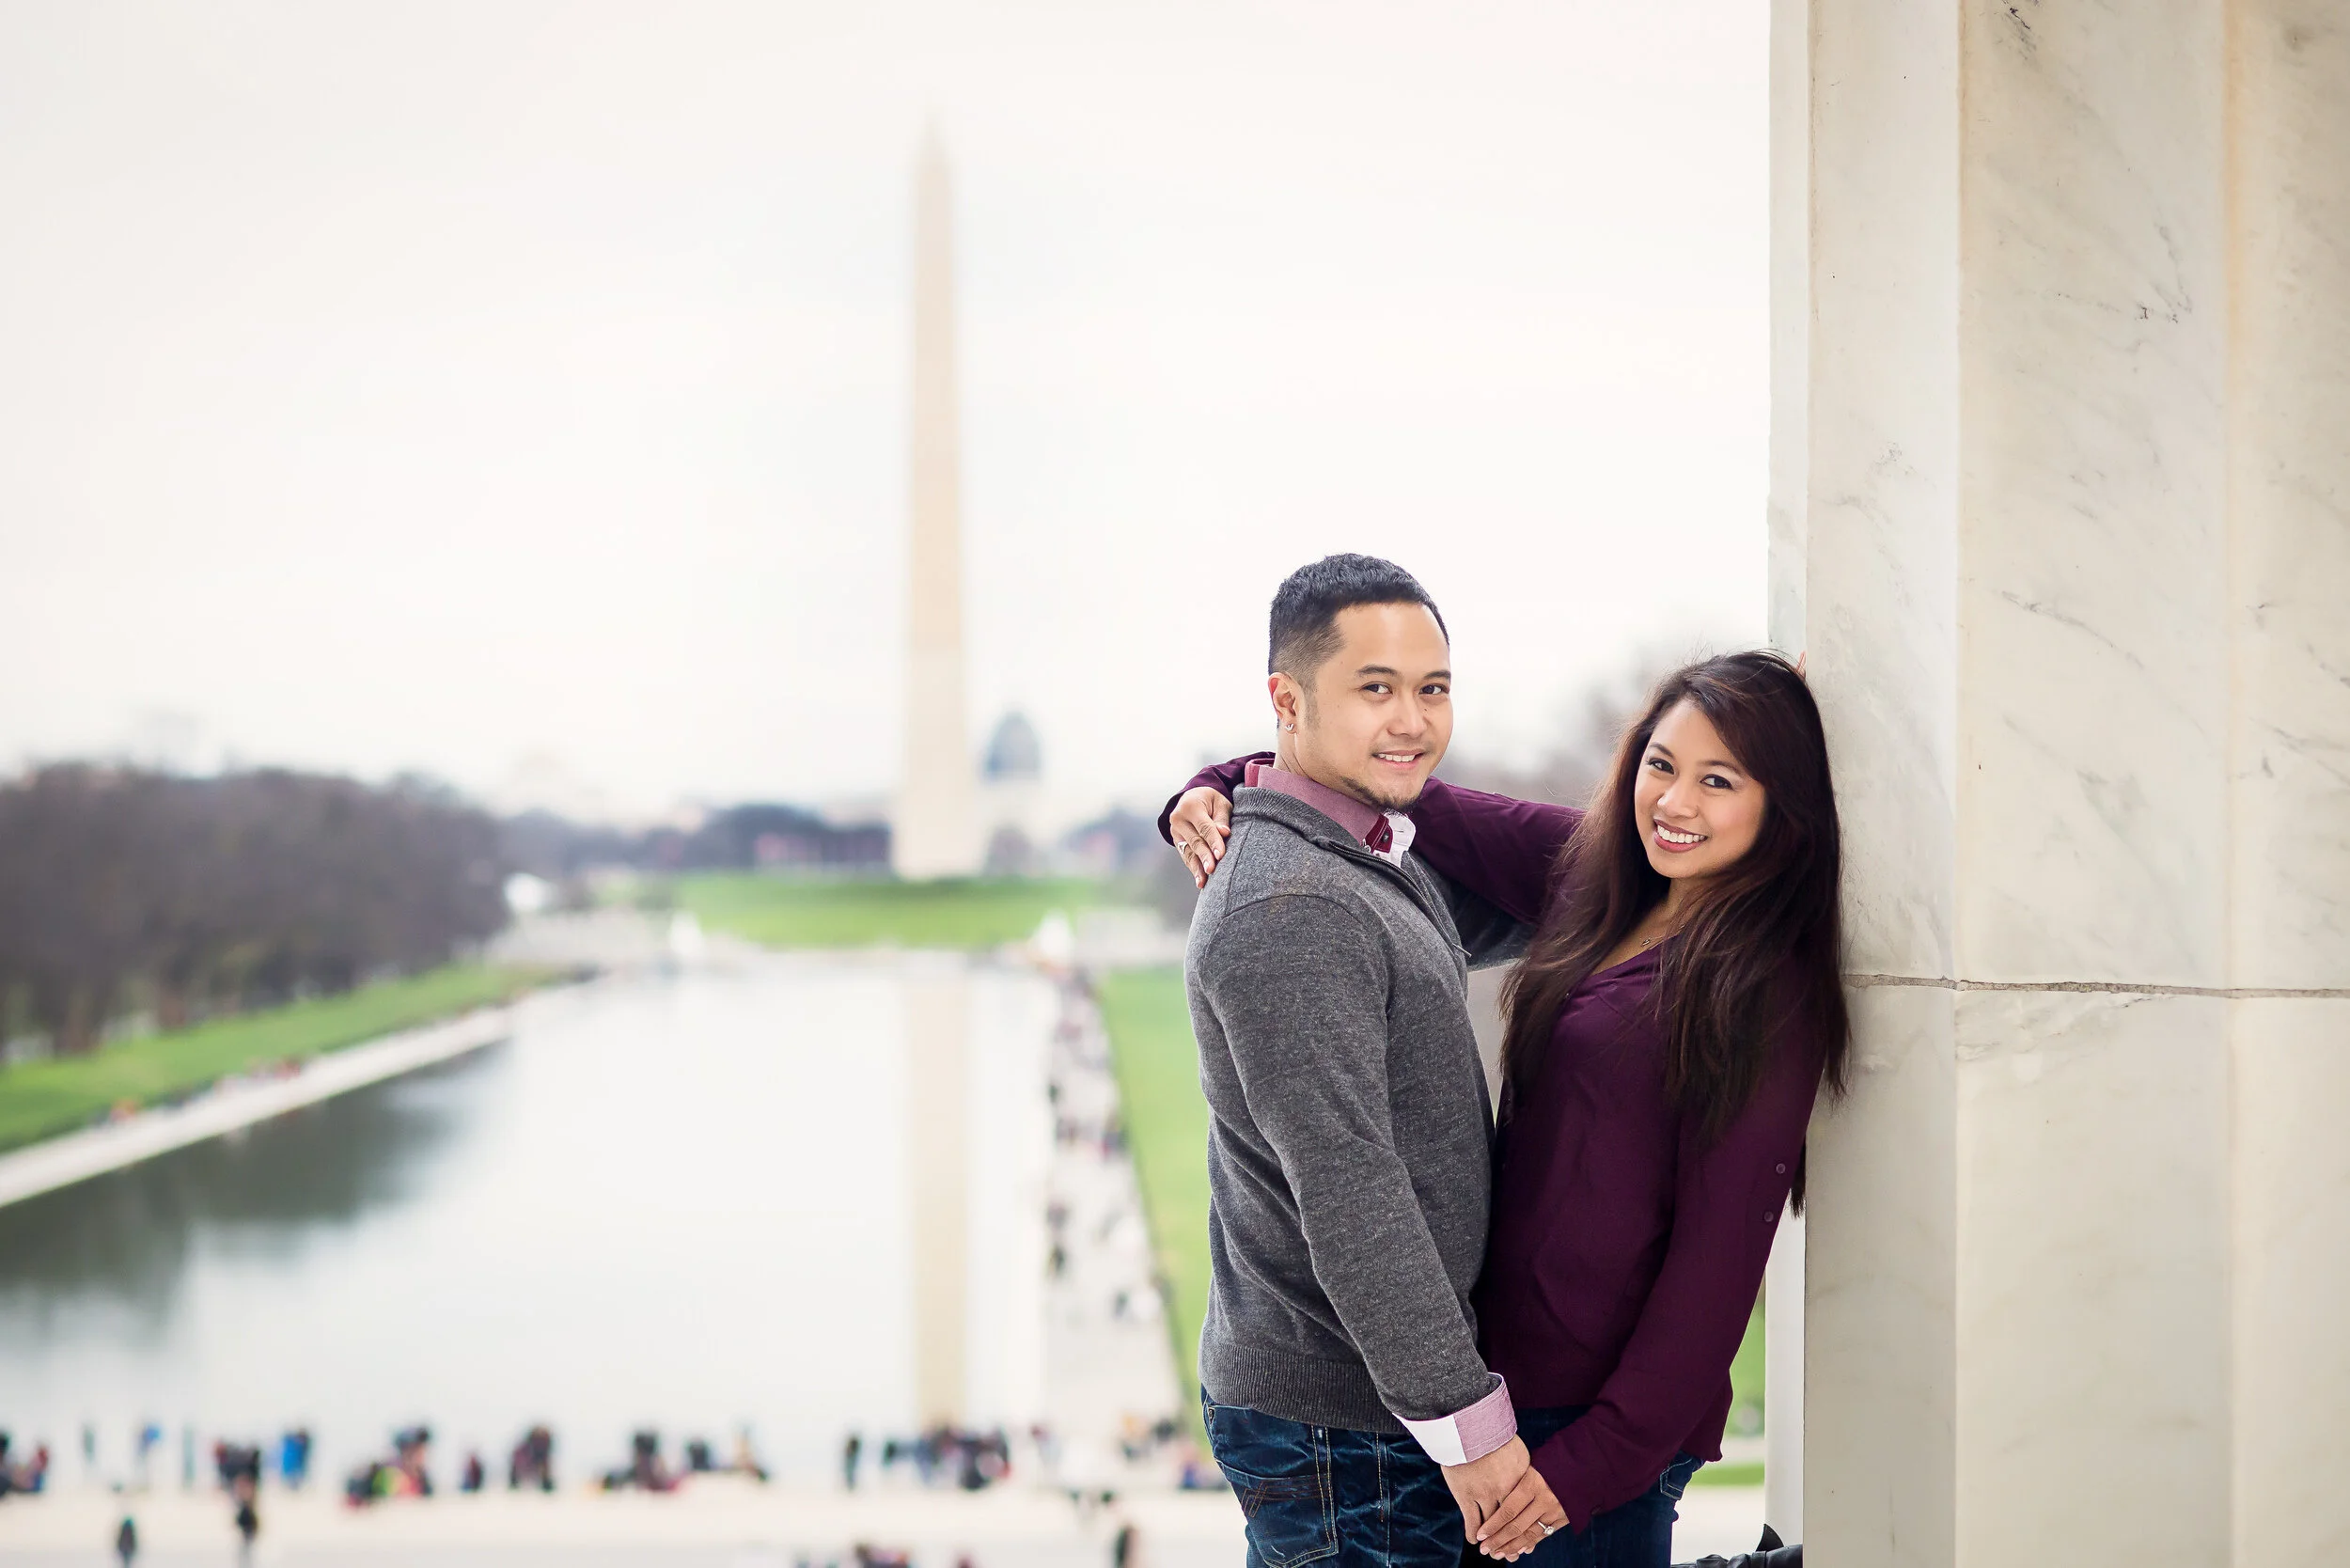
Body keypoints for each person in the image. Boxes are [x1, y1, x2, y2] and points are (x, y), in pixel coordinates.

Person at [1167, 650, 1847, 1565]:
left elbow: (1710, 1288)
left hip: (1589, 1446)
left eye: (1717, 782)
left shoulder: (1761, 994)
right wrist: (1215, 785)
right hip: (1499, 1398)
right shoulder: (1597, 874)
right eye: (1660, 764)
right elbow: (1399, 792)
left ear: (1782, 810)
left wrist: (1578, 1473)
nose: (1674, 803)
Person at [1177, 556, 1554, 1564]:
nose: (1413, 721)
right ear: (1286, 702)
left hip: (1358, 1409)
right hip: (1345, 1423)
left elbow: (1550, 902)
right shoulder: (1290, 907)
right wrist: (1465, 1425)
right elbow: (1349, 1188)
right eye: (1375, 689)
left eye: (1432, 690)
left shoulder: (1363, 862)